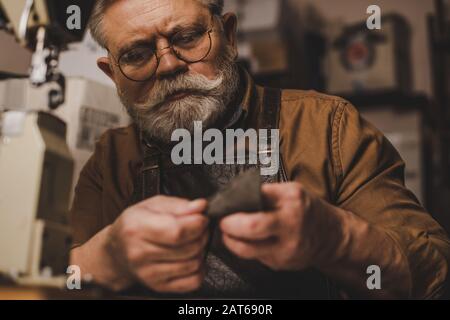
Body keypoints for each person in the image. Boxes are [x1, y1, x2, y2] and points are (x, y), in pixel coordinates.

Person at [70, 0, 450, 299]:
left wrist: (336, 238)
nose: (168, 64)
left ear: (229, 36)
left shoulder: (328, 127)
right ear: (113, 75)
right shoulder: (111, 161)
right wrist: (103, 260)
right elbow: (49, 280)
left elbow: (433, 277)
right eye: (136, 54)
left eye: (186, 37)